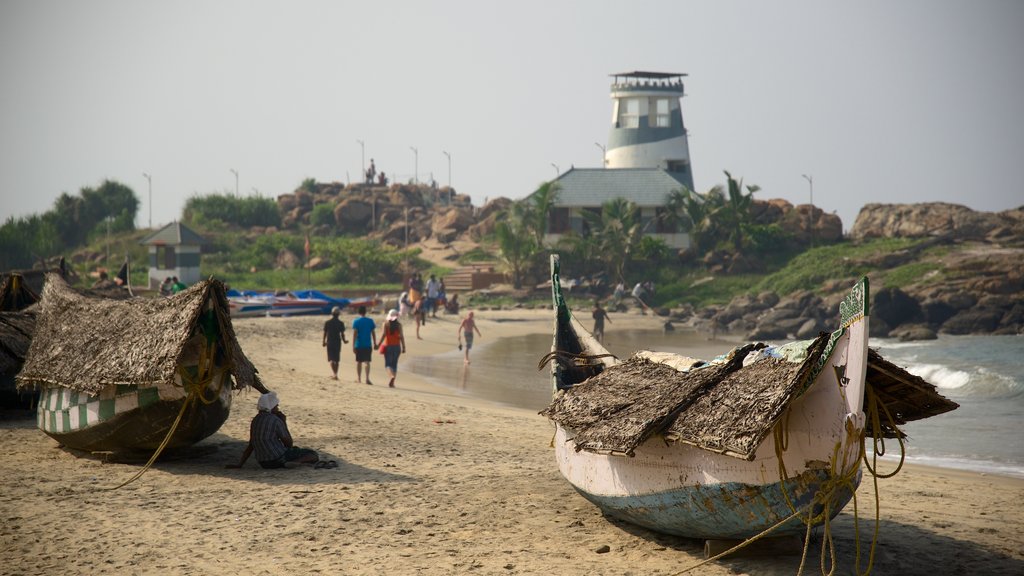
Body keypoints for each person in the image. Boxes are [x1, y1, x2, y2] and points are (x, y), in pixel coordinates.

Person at [226, 392, 319, 469]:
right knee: (312, 454)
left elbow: (251, 445)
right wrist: (283, 422)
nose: (277, 409)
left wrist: (240, 464)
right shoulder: (275, 420)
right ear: (271, 407)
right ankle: (294, 462)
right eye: (276, 406)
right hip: (278, 458)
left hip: (264, 463)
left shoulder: (255, 420)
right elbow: (289, 444)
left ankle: (289, 463)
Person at [380, 309, 406, 388]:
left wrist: (378, 344)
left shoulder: (385, 324)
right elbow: (401, 336)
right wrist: (404, 347)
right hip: (397, 347)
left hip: (388, 346)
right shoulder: (399, 325)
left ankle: (391, 376)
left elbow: (384, 335)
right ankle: (392, 382)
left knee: (388, 364)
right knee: (394, 365)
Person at [352, 305, 377, 385]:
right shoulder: (370, 321)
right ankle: (367, 379)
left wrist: (353, 345)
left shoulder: (356, 321)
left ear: (359, 312)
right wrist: (375, 343)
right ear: (365, 312)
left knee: (359, 362)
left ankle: (359, 378)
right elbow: (373, 333)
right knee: (367, 362)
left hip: (359, 344)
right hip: (368, 344)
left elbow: (355, 334)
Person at [322, 306, 349, 380]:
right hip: (337, 342)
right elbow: (342, 334)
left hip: (330, 342)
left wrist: (323, 342)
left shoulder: (327, 322)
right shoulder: (341, 323)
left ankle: (334, 374)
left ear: (332, 313)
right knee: (337, 359)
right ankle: (336, 374)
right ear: (338, 314)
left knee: (331, 359)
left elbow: (325, 333)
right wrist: (344, 341)